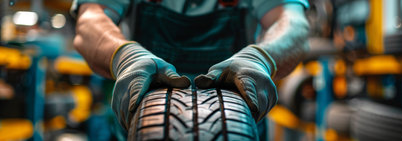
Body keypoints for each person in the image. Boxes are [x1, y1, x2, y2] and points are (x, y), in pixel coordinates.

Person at [71, 0, 309, 140]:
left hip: (239, 122)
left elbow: (293, 25)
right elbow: (90, 19)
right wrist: (125, 56)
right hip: (143, 118)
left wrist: (261, 58)